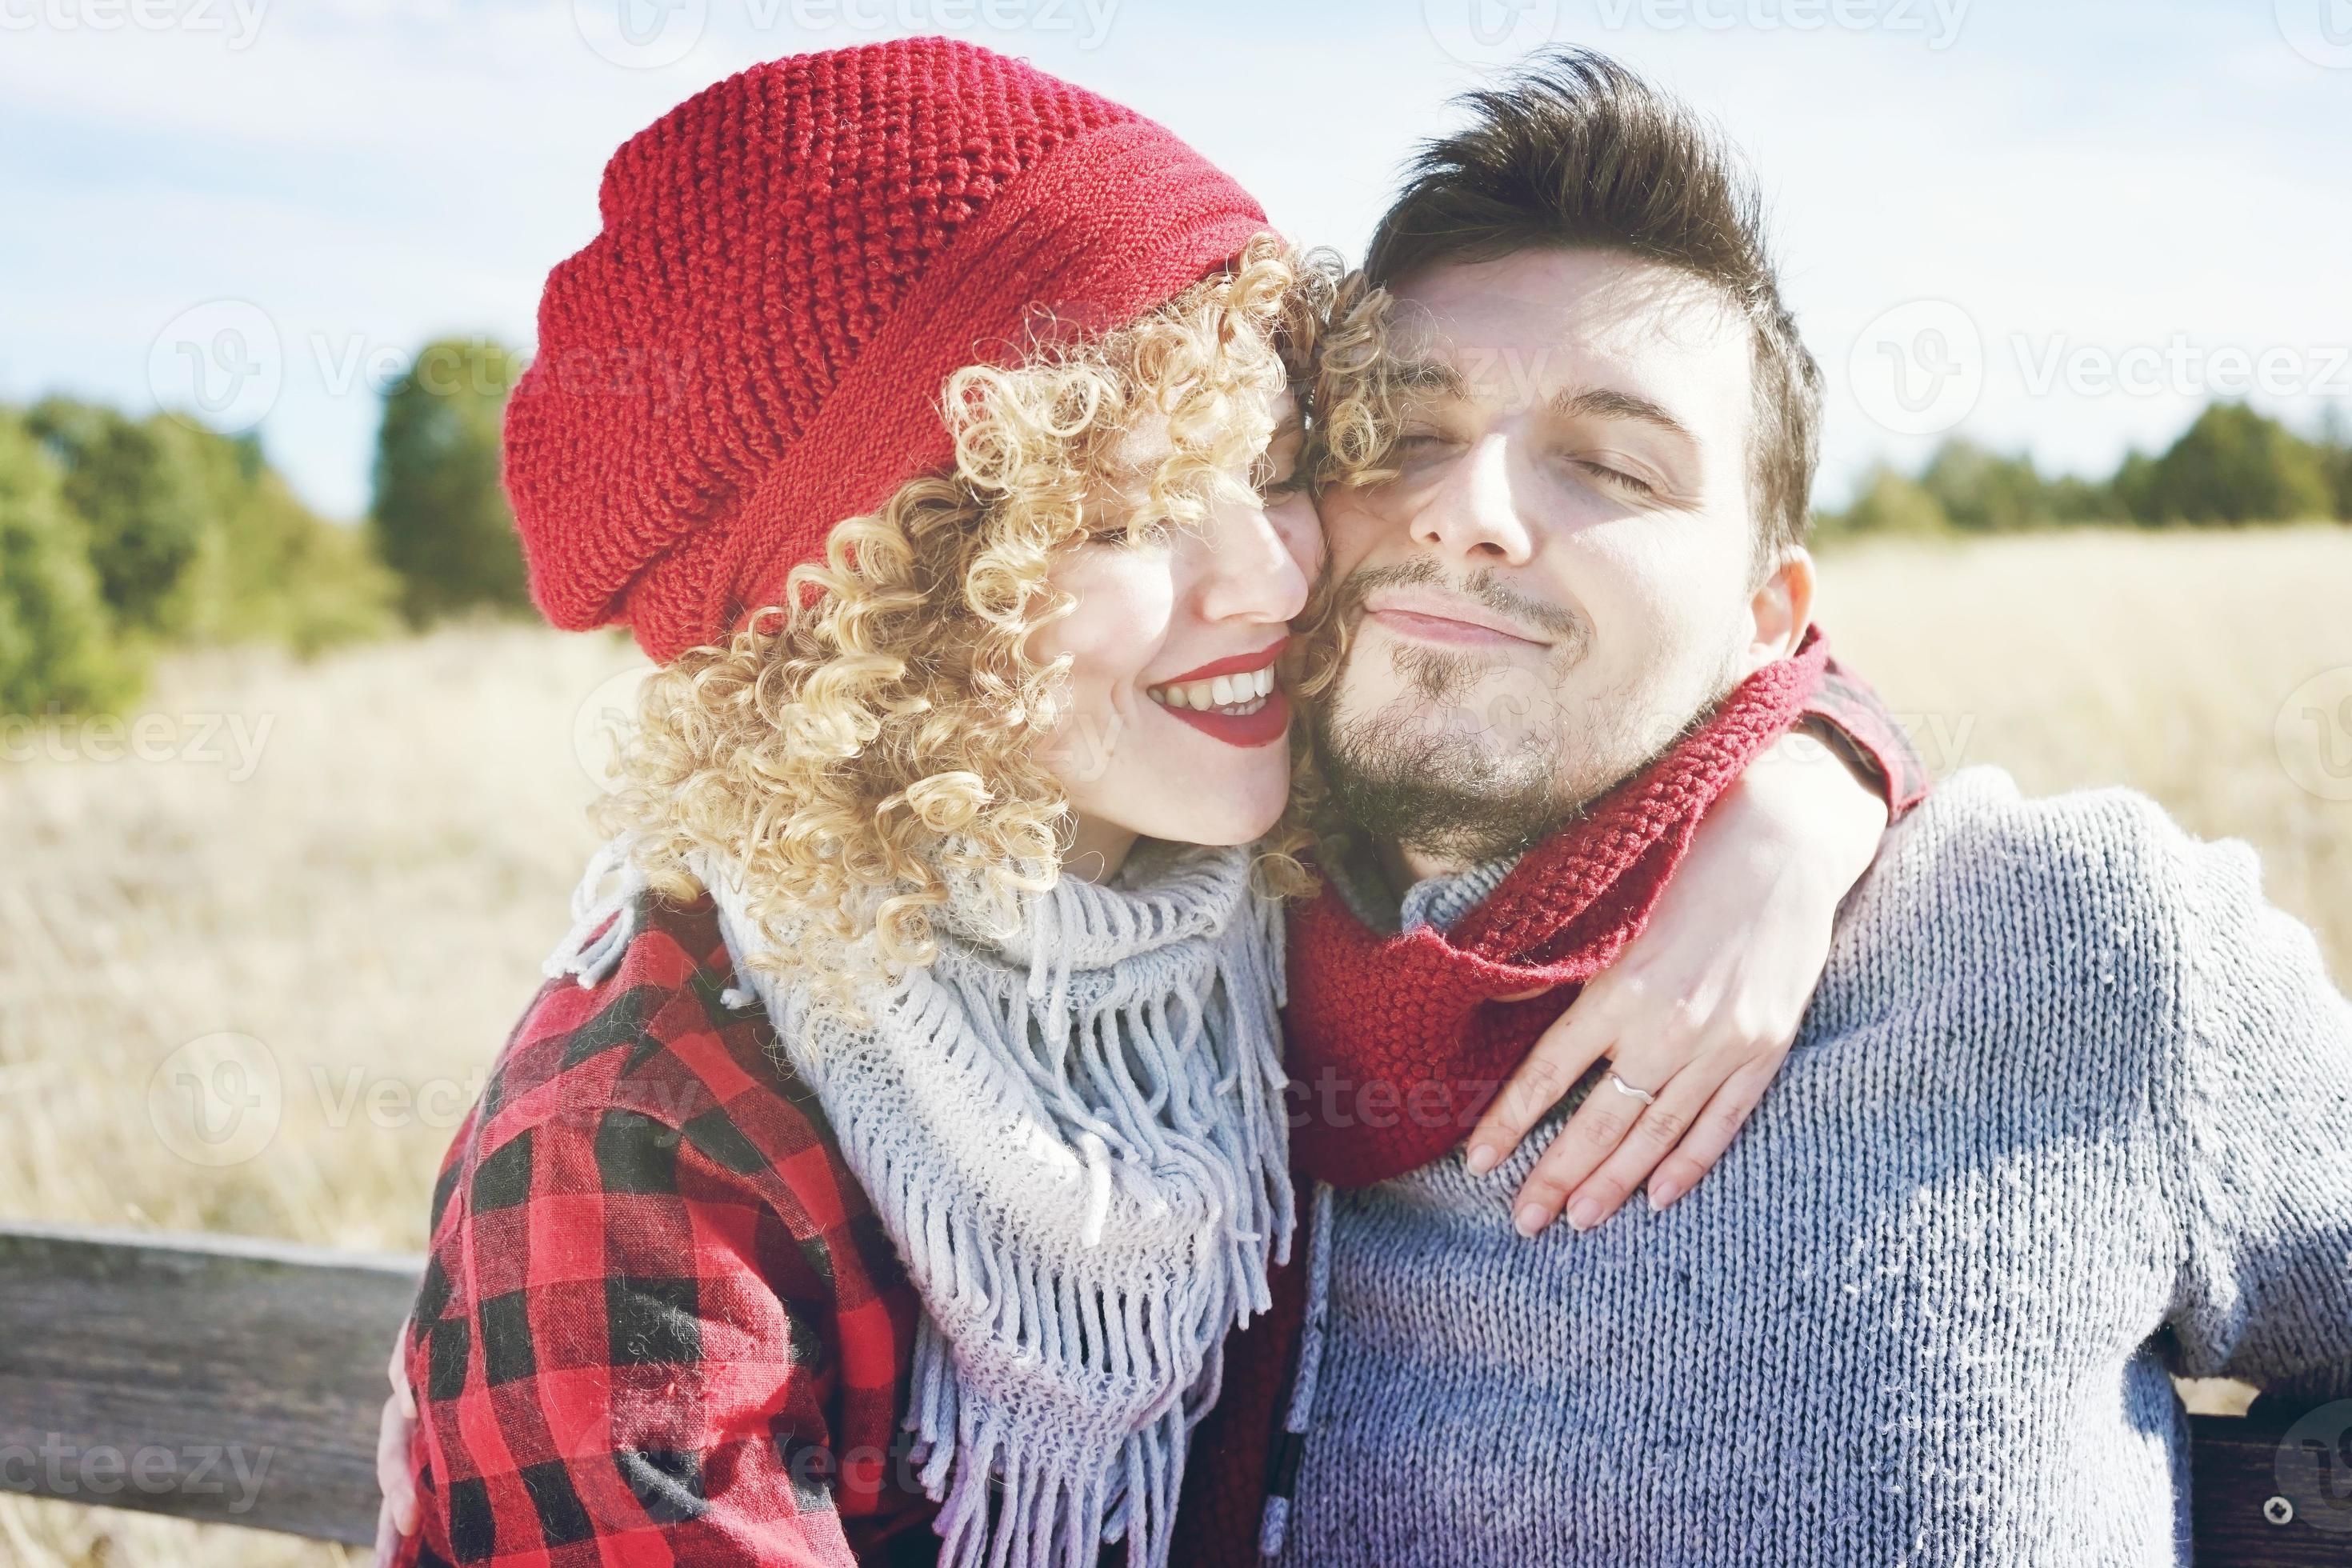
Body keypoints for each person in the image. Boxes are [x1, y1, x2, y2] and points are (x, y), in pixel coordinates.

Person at [377, 38, 1919, 1568]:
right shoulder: (646, 1133)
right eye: (1124, 518)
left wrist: (1796, 802)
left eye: (1283, 466)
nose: (1277, 570)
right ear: (886, 613)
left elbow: (1727, 636)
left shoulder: (1251, 852)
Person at [1173, 50, 2352, 1566]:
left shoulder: (2075, 939)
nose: (1470, 501)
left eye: (1610, 462)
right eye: (1397, 437)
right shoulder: (1158, 978)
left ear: (1765, 616)